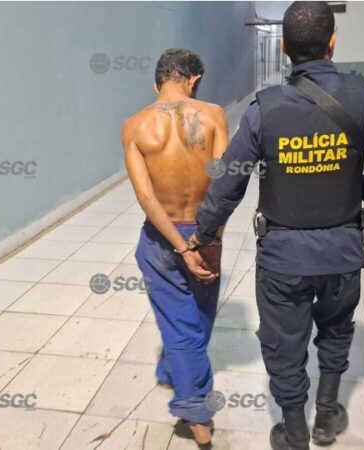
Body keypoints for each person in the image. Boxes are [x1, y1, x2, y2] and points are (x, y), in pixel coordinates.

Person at [189, 2, 364, 449]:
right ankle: (327, 417)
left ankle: (294, 430)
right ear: (333, 42)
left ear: (283, 48)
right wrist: (360, 187)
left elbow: (228, 184)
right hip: (343, 252)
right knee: (336, 331)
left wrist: (202, 234)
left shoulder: (264, 110)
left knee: (283, 344)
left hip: (283, 258)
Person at [121, 48, 228, 446]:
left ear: (157, 84)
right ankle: (196, 410)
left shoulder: (134, 126)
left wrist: (181, 247)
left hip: (160, 238)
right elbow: (223, 187)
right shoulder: (213, 115)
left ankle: (174, 370)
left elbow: (146, 198)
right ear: (193, 79)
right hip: (204, 230)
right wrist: (207, 241)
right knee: (192, 324)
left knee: (184, 323)